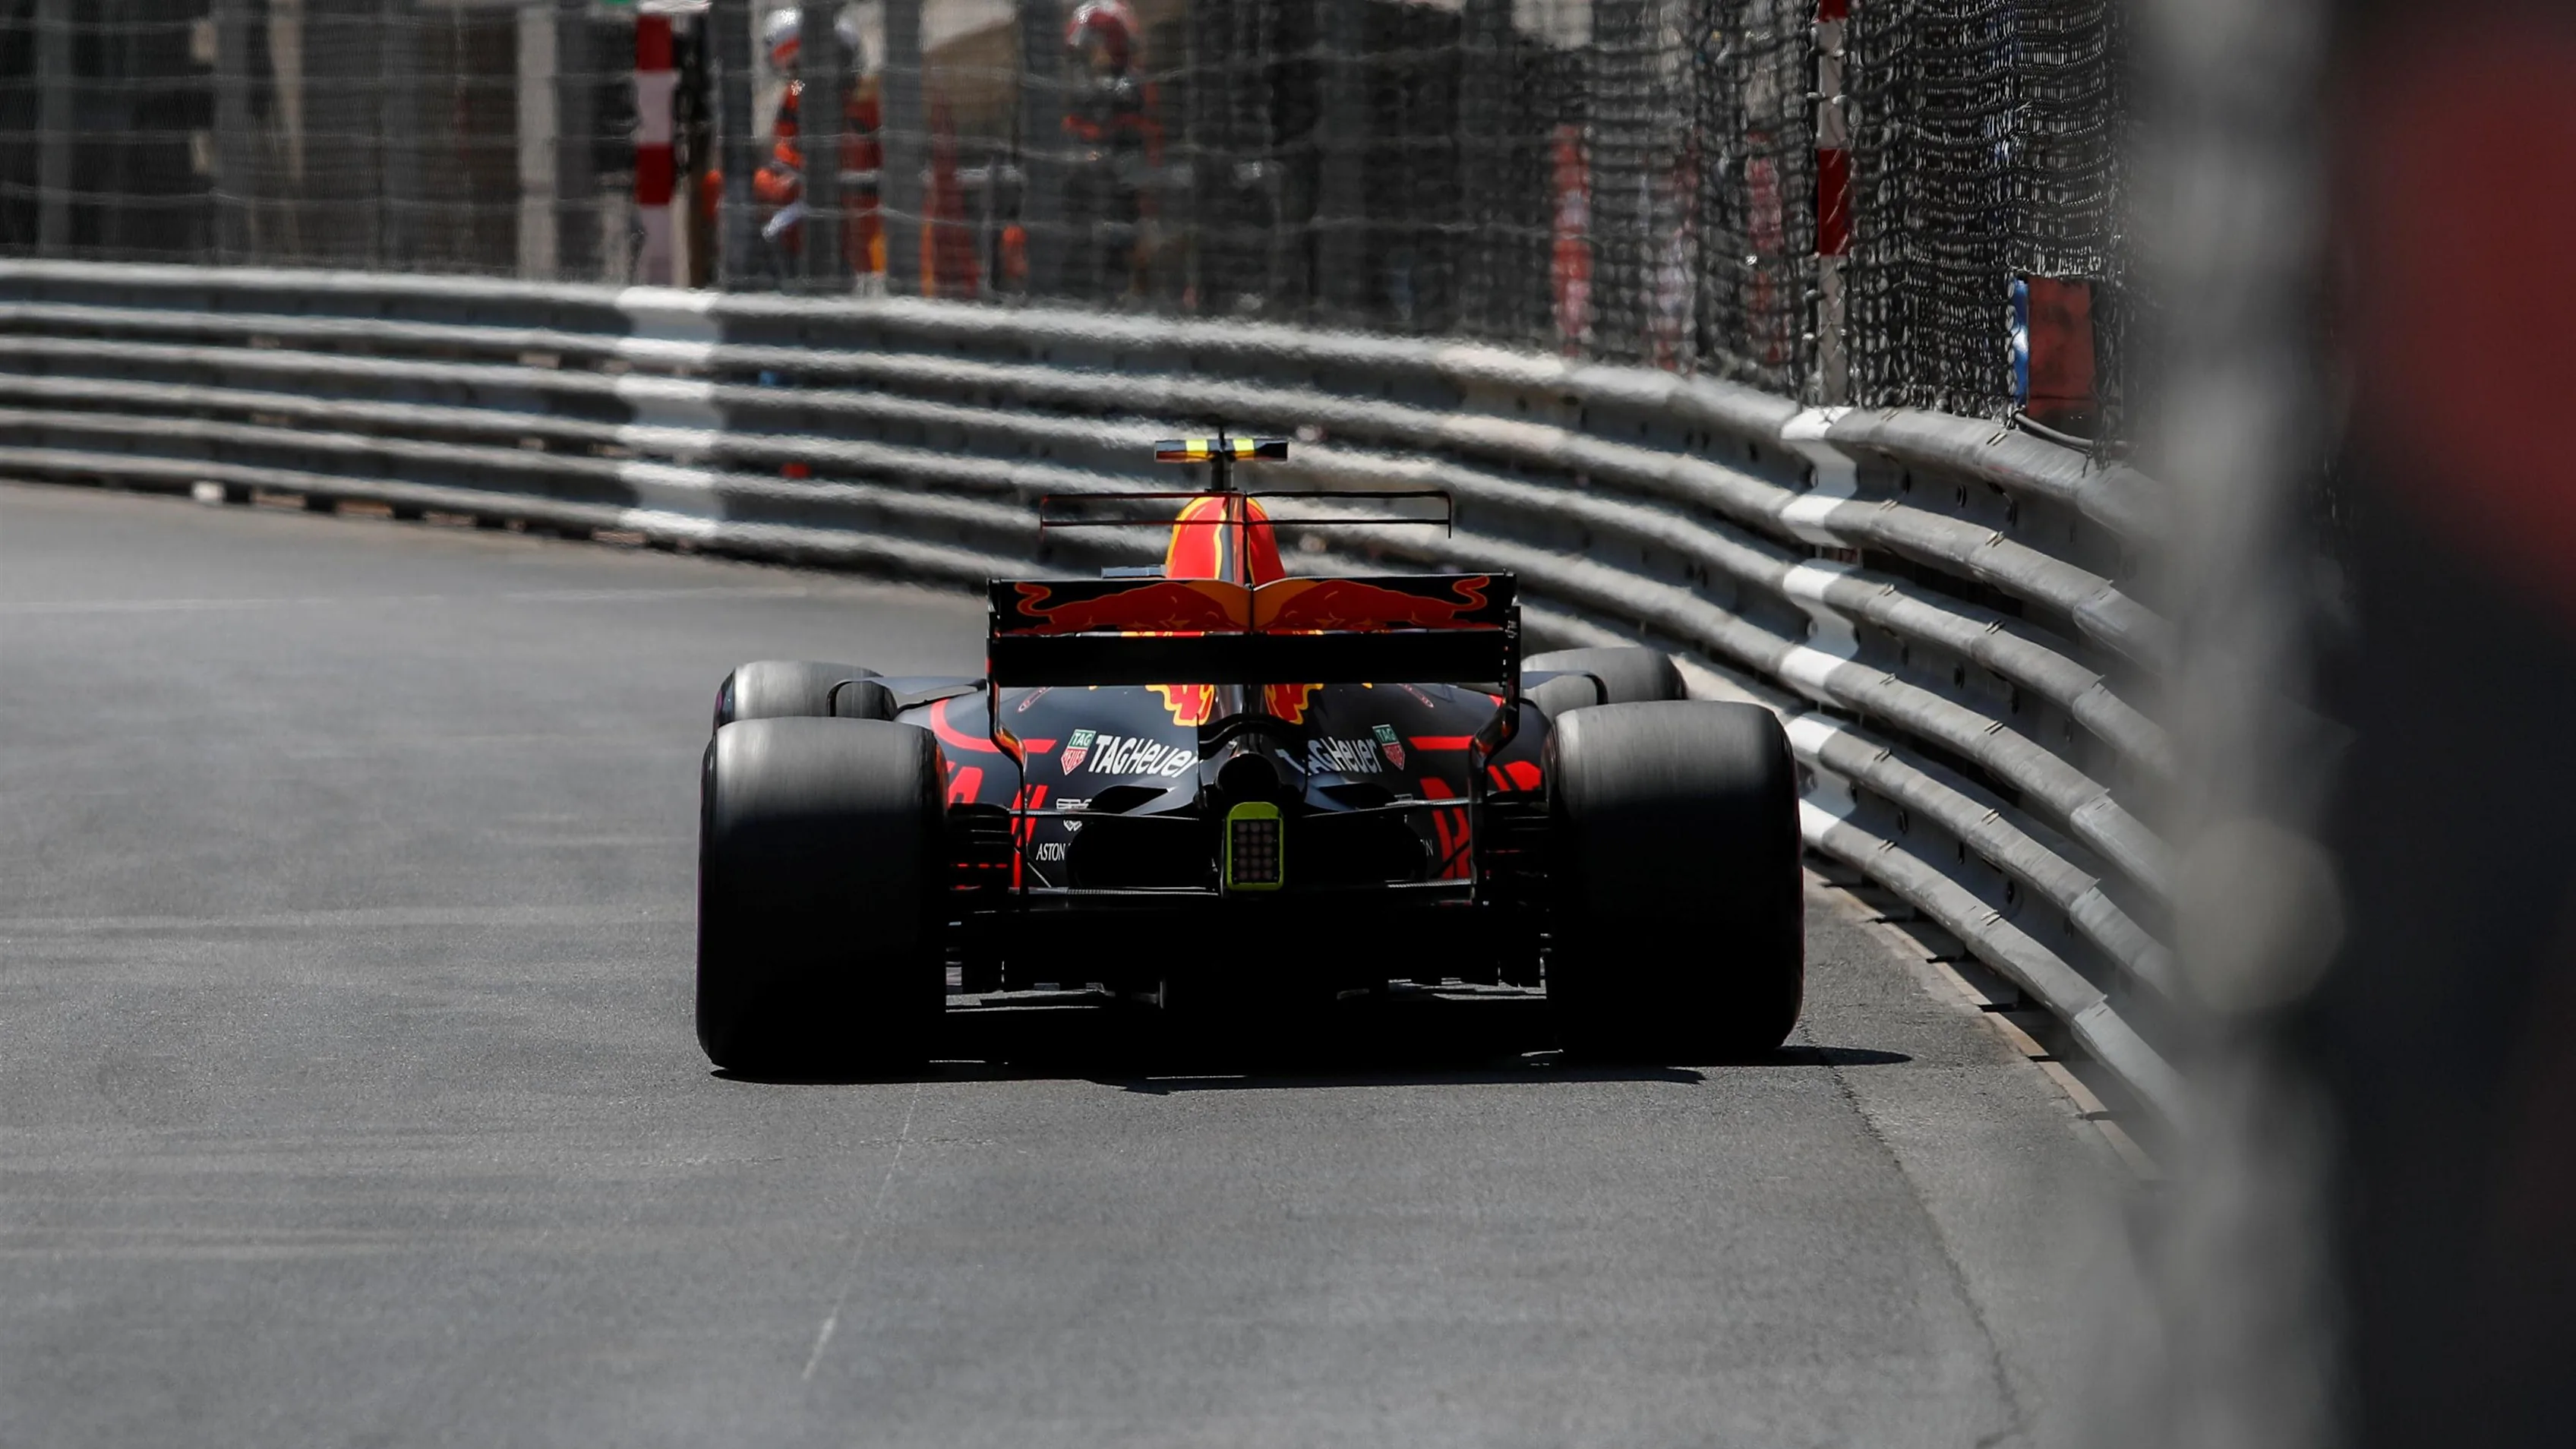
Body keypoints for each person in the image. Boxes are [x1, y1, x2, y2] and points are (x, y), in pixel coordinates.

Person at [753, 8, 885, 277]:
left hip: (859, 213)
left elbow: (876, 159)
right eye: (793, 67)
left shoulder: (864, 99)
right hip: (808, 206)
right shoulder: (798, 90)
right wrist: (793, 175)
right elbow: (784, 145)